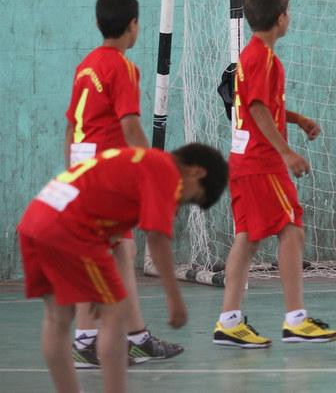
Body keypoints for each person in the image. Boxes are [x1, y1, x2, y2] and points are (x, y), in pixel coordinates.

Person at [17, 144, 228, 393]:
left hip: (36, 220)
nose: (184, 202)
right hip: (70, 229)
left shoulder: (137, 159)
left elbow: (104, 206)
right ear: (197, 172)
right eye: (193, 197)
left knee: (57, 317)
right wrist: (175, 298)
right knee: (116, 313)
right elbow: (157, 239)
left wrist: (91, 283)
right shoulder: (166, 172)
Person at [213, 0, 336, 347]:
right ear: (282, 18)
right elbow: (256, 108)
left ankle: (229, 320)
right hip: (261, 162)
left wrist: (296, 120)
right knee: (291, 229)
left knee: (247, 239)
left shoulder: (251, 56)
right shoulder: (263, 58)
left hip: (243, 161)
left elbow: (262, 105)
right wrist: (287, 151)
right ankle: (296, 319)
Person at [65, 0, 183, 367]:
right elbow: (130, 125)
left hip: (87, 171)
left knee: (122, 252)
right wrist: (153, 166)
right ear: (134, 27)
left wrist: (71, 170)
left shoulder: (86, 64)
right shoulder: (122, 68)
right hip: (106, 175)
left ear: (99, 24)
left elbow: (71, 125)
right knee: (101, 255)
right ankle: (85, 340)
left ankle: (137, 337)